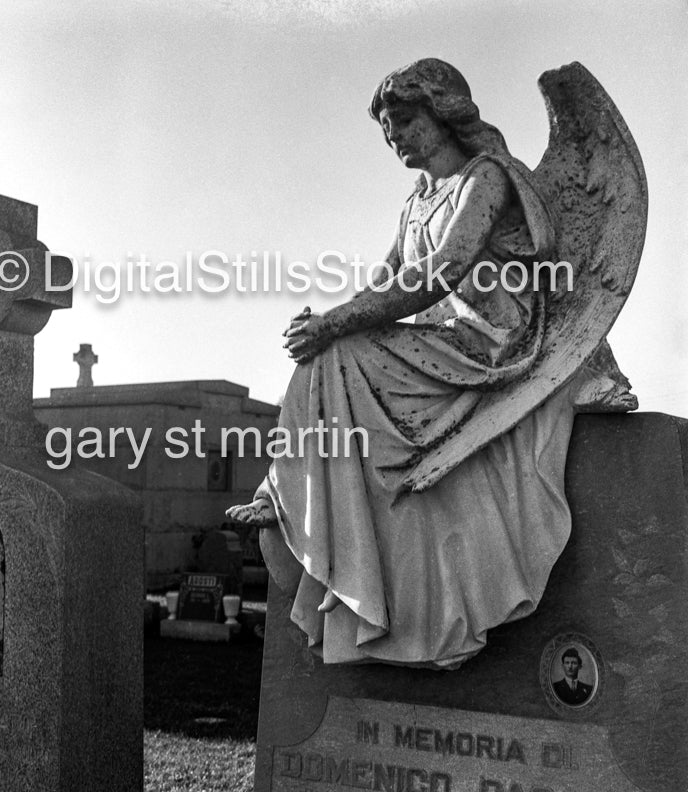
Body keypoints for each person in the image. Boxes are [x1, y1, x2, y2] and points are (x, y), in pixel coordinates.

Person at [227, 59, 598, 668]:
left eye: (403, 120)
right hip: (438, 340)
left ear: (443, 111)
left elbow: (440, 273)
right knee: (328, 355)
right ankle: (293, 491)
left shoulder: (487, 180)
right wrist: (328, 322)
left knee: (340, 348)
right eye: (386, 129)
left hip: (490, 344)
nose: (394, 136)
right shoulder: (416, 203)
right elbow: (386, 282)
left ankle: (292, 493)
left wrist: (339, 323)